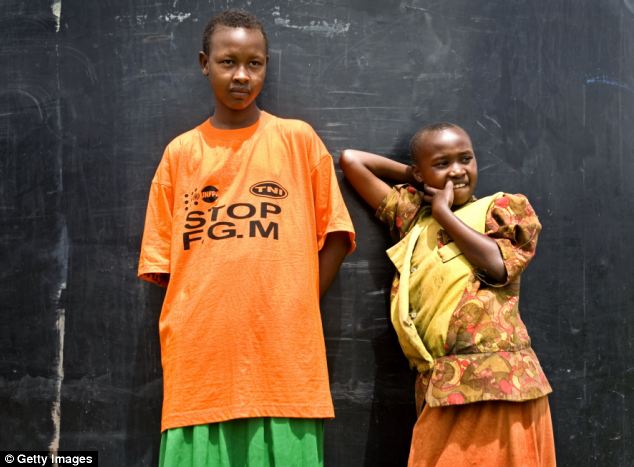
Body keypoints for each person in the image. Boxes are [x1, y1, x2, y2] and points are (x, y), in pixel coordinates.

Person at [138, 9, 355, 466]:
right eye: (227, 62)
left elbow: (336, 234)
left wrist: (296, 303)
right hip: (200, 369)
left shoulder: (297, 140)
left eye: (254, 63)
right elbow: (163, 267)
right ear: (204, 63)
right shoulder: (180, 154)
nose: (241, 75)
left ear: (266, 66)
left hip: (285, 366)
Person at [339, 123, 555, 466]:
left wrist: (444, 212)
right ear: (420, 173)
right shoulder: (414, 220)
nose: (457, 171)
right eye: (442, 163)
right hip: (441, 387)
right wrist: (423, 183)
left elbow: (499, 266)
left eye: (465, 159)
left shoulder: (500, 208)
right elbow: (352, 161)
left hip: (499, 387)